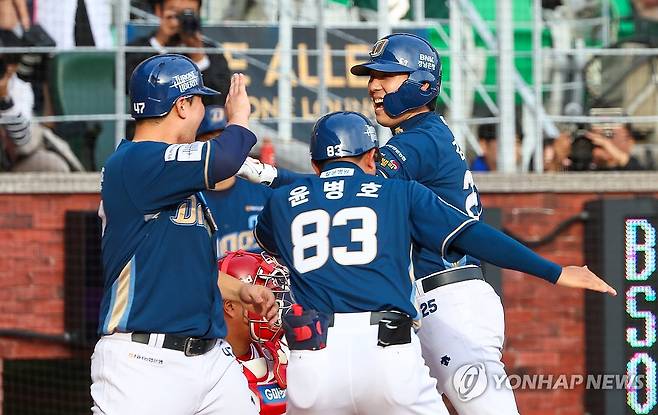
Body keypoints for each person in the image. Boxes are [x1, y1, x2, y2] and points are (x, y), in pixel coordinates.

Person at [238, 34, 615, 414]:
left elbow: (343, 188)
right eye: (371, 75)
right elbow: (343, 186)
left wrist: (267, 173)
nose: (374, 85)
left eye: (387, 75)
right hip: (429, 302)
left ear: (422, 83)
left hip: (449, 300)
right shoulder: (421, 135)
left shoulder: (418, 141)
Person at [92, 53, 278, 415]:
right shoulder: (135, 162)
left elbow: (189, 270)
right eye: (198, 103)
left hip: (211, 360)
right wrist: (238, 119)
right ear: (181, 105)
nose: (201, 114)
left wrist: (241, 290)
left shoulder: (170, 175)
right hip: (142, 363)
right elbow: (225, 157)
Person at [219, 250, 290, 415]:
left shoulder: (280, 352)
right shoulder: (206, 366)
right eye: (266, 298)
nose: (275, 308)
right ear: (230, 307)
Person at [196, 105, 273, 257]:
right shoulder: (187, 200)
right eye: (211, 140)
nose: (220, 149)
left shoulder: (264, 194)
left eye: (224, 140)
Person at [126, 0, 230, 105]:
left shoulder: (210, 51)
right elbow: (126, 85)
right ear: (159, 10)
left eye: (189, 13)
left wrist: (198, 57)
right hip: (152, 118)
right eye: (175, 13)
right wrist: (161, 43)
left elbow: (220, 95)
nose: (181, 20)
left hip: (199, 119)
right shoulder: (138, 48)